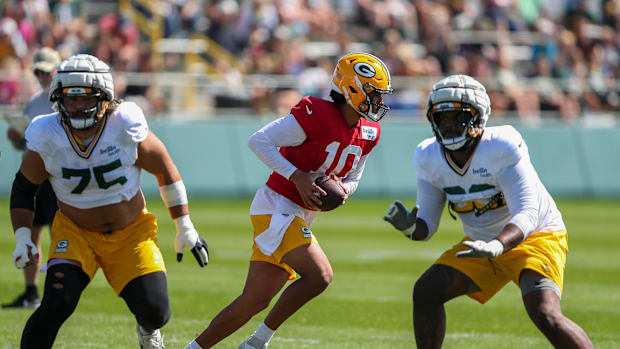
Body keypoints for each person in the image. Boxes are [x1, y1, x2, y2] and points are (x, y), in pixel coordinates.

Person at [186, 52, 393, 349]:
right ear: (352, 88)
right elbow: (258, 140)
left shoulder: (369, 131)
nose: (378, 102)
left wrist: (345, 191)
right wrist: (297, 175)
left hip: (300, 213)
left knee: (254, 300)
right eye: (373, 93)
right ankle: (257, 343)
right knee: (320, 275)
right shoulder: (317, 114)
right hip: (277, 205)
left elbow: (355, 173)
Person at [9, 54, 209, 349]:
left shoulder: (124, 123)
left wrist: (184, 225)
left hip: (131, 232)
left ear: (105, 98)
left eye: (85, 98)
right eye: (70, 99)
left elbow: (165, 169)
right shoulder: (46, 132)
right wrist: (23, 236)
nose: (76, 106)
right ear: (57, 99)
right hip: (76, 232)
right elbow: (24, 188)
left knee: (155, 310)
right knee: (55, 304)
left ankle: (147, 329)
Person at [383, 74, 593, 349]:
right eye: (441, 118)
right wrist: (410, 227)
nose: (447, 125)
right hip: (480, 244)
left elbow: (528, 212)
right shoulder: (427, 156)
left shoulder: (501, 146)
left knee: (545, 314)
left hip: (535, 237)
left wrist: (497, 245)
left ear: (478, 116)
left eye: (457, 117)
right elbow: (427, 227)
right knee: (426, 291)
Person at [3, 47, 61, 309]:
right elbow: (29, 143)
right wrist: (17, 138)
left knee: (60, 234)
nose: (41, 76)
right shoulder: (36, 101)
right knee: (31, 234)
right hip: (36, 175)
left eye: (45, 71)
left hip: (55, 176)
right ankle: (31, 292)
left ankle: (59, 292)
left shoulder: (64, 98)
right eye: (38, 71)